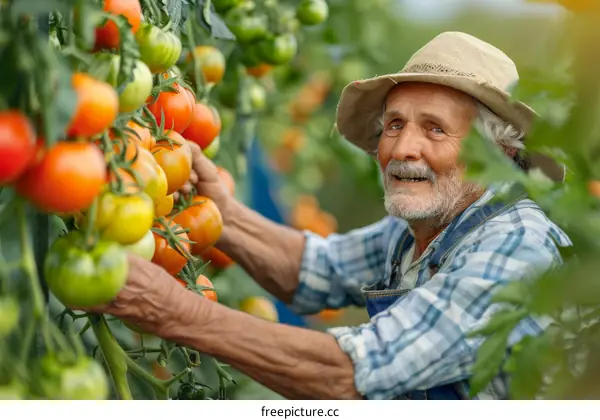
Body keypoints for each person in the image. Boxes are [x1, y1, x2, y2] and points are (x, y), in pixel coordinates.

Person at [80, 32, 572, 400]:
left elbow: (351, 376)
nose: (403, 148)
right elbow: (319, 270)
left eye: (435, 130)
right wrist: (222, 214)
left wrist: (174, 311)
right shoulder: (429, 226)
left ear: (500, 156)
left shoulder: (514, 249)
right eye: (395, 124)